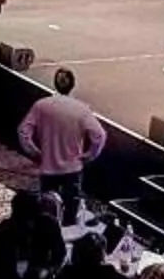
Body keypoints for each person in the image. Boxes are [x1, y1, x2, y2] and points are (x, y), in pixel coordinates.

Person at [17, 68, 108, 223]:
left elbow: (23, 131)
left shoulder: (41, 106)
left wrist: (33, 151)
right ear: (72, 85)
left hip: (48, 168)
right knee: (71, 212)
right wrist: (89, 155)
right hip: (72, 170)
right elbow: (99, 135)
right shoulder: (81, 109)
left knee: (47, 212)